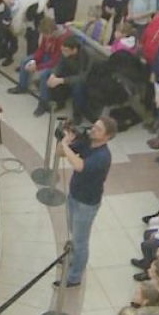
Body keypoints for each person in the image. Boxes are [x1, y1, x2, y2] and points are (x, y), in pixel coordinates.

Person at [57, 117, 115, 288]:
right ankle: (73, 258)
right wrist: (65, 140)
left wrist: (66, 146)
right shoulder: (87, 142)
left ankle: (74, 277)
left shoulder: (103, 156)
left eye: (98, 130)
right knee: (73, 231)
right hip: (74, 194)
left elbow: (79, 165)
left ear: (107, 136)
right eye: (94, 127)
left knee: (81, 240)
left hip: (87, 203)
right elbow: (60, 153)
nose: (93, 130)